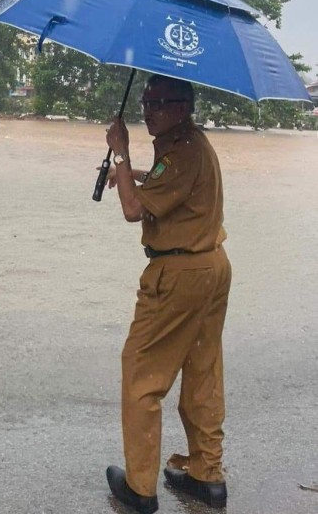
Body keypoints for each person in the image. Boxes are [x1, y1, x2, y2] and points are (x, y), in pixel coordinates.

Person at [103, 74, 232, 514]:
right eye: (145, 102)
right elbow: (162, 183)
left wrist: (119, 150)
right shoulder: (188, 146)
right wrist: (130, 172)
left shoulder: (181, 151)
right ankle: (206, 475)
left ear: (182, 107)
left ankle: (140, 487)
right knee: (202, 370)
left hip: (179, 273)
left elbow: (132, 210)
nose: (147, 111)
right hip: (211, 267)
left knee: (141, 374)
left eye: (157, 103)